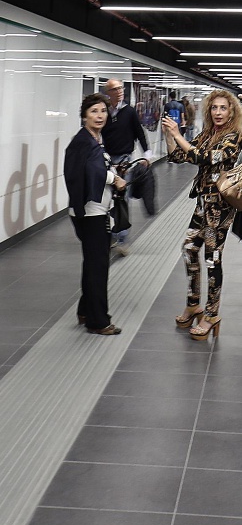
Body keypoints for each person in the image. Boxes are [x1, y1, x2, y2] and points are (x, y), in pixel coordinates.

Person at [163, 89, 242, 340]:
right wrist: (169, 136)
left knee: (212, 258)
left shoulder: (234, 136)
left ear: (232, 111)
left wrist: (179, 135)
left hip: (220, 207)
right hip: (202, 204)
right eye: (214, 107)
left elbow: (204, 158)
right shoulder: (208, 133)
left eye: (223, 108)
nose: (218, 112)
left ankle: (211, 314)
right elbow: (178, 156)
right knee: (189, 249)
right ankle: (193, 303)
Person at [64, 93, 126, 336]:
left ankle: (85, 311)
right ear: (84, 116)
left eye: (102, 111)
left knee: (93, 264)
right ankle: (98, 321)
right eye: (93, 112)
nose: (99, 116)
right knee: (98, 267)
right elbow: (90, 169)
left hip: (97, 212)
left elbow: (97, 165)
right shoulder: (82, 141)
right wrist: (114, 178)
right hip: (91, 215)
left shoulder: (95, 138)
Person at [102, 79, 152, 256]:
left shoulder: (129, 112)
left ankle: (122, 238)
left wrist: (147, 154)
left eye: (120, 88)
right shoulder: (104, 113)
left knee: (122, 199)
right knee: (107, 199)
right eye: (115, 89)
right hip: (107, 161)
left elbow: (139, 133)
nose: (119, 91)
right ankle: (110, 234)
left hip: (125, 161)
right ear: (108, 93)